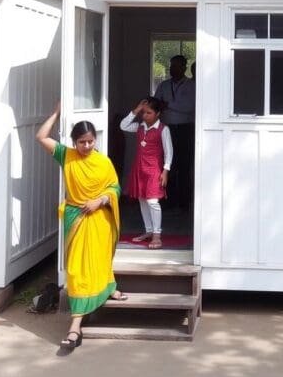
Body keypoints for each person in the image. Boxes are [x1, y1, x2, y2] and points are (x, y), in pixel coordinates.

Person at [35, 103, 127, 352]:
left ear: (95, 139)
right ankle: (76, 324)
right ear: (74, 142)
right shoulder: (66, 156)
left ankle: (78, 323)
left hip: (99, 219)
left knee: (97, 263)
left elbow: (115, 188)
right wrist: (55, 113)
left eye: (90, 141)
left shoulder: (103, 162)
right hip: (75, 217)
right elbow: (41, 136)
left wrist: (100, 200)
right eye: (82, 142)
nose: (86, 146)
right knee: (76, 271)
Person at [119, 97, 173, 249]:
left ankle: (157, 235)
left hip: (154, 169)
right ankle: (148, 231)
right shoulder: (139, 127)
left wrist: (166, 170)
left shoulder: (163, 129)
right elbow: (123, 125)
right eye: (143, 113)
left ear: (157, 114)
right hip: (139, 168)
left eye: (149, 113)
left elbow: (169, 151)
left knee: (152, 201)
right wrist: (136, 110)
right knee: (142, 200)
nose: (145, 116)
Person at [153, 55, 194, 210]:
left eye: (176, 66)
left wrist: (167, 104)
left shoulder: (191, 85)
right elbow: (155, 104)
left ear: (184, 67)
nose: (172, 68)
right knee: (167, 164)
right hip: (166, 129)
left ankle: (184, 202)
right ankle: (168, 200)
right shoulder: (164, 85)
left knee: (184, 166)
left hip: (184, 129)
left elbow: (189, 107)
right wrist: (163, 105)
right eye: (171, 65)